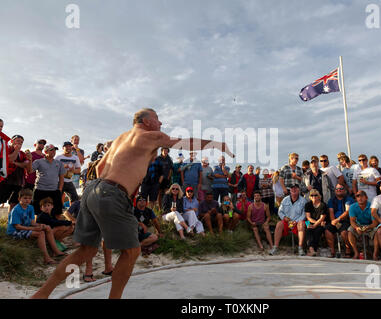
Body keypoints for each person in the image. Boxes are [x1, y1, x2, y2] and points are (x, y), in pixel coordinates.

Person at [31, 107, 234, 299]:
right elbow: (183, 143)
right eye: (157, 118)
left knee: (86, 250)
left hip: (93, 190)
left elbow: (100, 168)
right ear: (146, 121)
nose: (161, 122)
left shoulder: (121, 138)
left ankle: (42, 294)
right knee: (131, 251)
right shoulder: (150, 136)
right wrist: (218, 145)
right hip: (113, 193)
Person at [7, 189, 66, 265]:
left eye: (29, 198)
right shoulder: (16, 210)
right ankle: (46, 258)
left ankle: (56, 251)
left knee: (47, 227)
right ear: (19, 199)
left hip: (25, 228)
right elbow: (17, 227)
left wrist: (40, 225)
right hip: (15, 231)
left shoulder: (30, 207)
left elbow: (32, 222)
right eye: (25, 198)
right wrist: (33, 228)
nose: (27, 200)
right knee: (40, 233)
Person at [269, 184, 307, 256]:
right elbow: (280, 211)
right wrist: (284, 217)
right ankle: (275, 247)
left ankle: (300, 248)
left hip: (298, 222)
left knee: (302, 224)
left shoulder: (303, 200)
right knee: (279, 224)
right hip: (287, 221)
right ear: (290, 190)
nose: (294, 190)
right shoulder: (285, 199)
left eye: (296, 188)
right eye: (292, 189)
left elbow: (304, 214)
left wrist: (296, 221)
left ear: (299, 190)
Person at [31, 144, 66, 218]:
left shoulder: (59, 163)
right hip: (40, 190)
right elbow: (30, 171)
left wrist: (59, 189)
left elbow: (61, 177)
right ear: (45, 151)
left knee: (57, 212)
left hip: (54, 190)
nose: (53, 152)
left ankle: (57, 228)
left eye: (55, 150)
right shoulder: (38, 161)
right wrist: (29, 159)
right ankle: (39, 228)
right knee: (38, 212)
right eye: (51, 150)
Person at [0, 134, 32, 213]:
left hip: (18, 182)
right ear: (11, 141)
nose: (20, 143)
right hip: (5, 180)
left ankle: (11, 222)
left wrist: (30, 160)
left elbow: (28, 168)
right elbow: (10, 160)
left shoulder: (22, 154)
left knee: (14, 203)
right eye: (18, 141)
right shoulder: (6, 149)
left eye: (21, 142)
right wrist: (16, 150)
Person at [325, 184, 355, 258]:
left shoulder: (349, 199)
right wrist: (333, 221)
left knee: (344, 232)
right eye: (337, 189)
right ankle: (332, 251)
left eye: (341, 188)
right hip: (335, 220)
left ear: (345, 190)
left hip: (346, 220)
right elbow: (331, 212)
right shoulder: (331, 200)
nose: (339, 190)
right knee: (327, 230)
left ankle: (348, 250)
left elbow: (347, 212)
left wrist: (338, 219)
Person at [347, 190, 378, 259]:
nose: (360, 198)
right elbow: (352, 221)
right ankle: (356, 253)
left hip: (370, 225)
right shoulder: (352, 207)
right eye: (358, 197)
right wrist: (356, 228)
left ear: (366, 197)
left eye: (362, 196)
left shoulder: (371, 206)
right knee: (350, 231)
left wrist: (368, 227)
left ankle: (375, 254)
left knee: (377, 231)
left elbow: (375, 223)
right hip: (358, 225)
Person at [304, 189, 327, 256]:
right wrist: (314, 224)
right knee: (308, 230)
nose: (314, 196)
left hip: (320, 222)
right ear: (310, 197)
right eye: (312, 195)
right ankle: (311, 249)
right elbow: (308, 217)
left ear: (319, 196)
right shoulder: (308, 204)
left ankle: (314, 249)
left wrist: (315, 225)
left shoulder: (323, 205)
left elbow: (322, 218)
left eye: (315, 195)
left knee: (318, 231)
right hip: (310, 222)